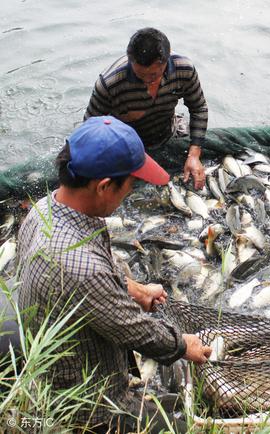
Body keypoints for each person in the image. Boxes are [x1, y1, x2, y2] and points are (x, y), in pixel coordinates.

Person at [16, 116, 212, 432]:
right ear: (105, 186)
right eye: (130, 186)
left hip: (47, 355)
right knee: (177, 426)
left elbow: (94, 274)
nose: (129, 195)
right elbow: (136, 332)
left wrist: (133, 288)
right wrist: (182, 345)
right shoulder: (81, 269)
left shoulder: (44, 209)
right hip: (84, 401)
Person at [84, 27, 209, 190]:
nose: (148, 82)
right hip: (127, 146)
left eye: (154, 75)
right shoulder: (110, 83)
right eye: (140, 76)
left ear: (167, 58)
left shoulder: (184, 69)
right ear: (131, 60)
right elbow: (90, 128)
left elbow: (198, 108)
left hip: (168, 131)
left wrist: (194, 155)